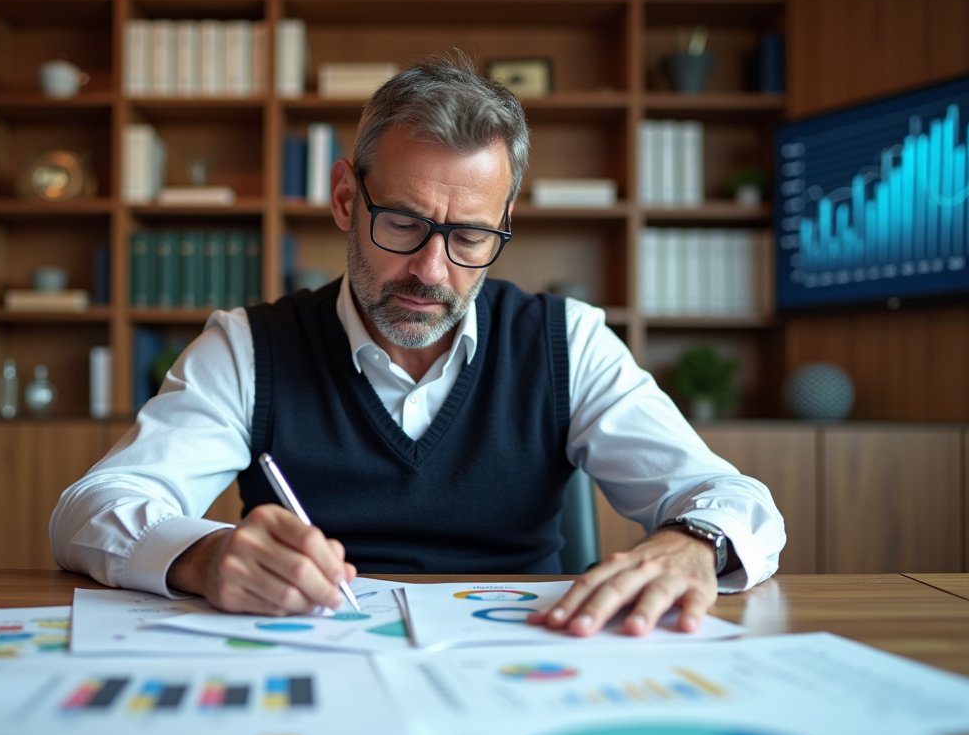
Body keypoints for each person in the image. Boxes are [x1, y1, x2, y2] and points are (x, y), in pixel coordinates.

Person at [51, 52, 785, 637]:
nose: (430, 272)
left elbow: (735, 501)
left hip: (525, 665)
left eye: (469, 236)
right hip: (316, 663)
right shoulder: (248, 346)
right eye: (401, 224)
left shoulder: (568, 342)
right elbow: (92, 508)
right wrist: (204, 555)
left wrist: (692, 542)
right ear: (345, 198)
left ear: (503, 225)